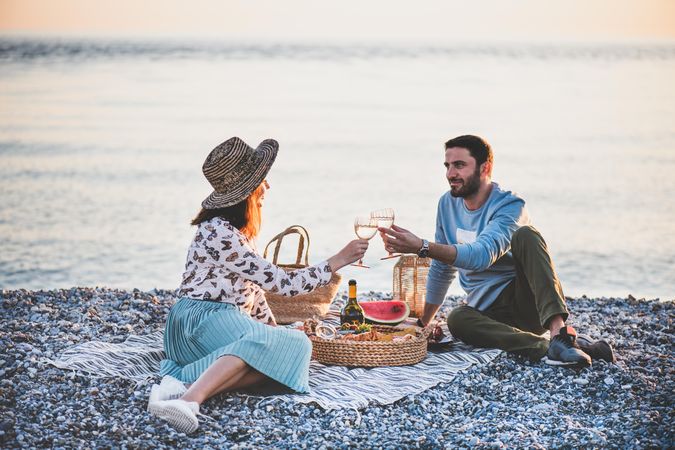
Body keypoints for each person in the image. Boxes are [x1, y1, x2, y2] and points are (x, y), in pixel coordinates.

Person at [147, 137, 368, 433]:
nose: (267, 187)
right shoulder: (219, 233)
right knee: (290, 345)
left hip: (213, 321)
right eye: (262, 180)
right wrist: (336, 261)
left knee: (293, 352)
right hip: (200, 323)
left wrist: (272, 330)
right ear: (247, 190)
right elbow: (281, 283)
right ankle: (190, 400)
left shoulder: (233, 231)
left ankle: (185, 383)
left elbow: (255, 292)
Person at [379, 135, 614, 368]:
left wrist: (422, 247)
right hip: (487, 313)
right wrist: (422, 324)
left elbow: (481, 256)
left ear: (485, 167)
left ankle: (559, 334)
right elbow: (442, 268)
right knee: (457, 319)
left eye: (459, 165)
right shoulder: (447, 204)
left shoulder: (510, 206)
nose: (450, 174)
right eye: (447, 166)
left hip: (526, 305)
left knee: (527, 235)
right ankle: (547, 348)